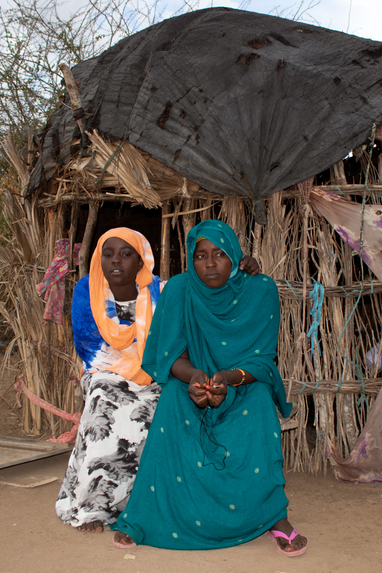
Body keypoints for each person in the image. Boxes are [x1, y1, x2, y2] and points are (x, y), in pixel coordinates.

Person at [111, 219, 308, 556]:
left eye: (219, 254)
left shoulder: (260, 290)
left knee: (261, 401)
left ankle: (274, 516)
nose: (210, 263)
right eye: (200, 256)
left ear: (234, 255)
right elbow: (169, 353)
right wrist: (195, 378)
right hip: (194, 383)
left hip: (243, 383)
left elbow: (263, 360)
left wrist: (228, 379)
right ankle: (144, 516)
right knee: (172, 396)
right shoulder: (179, 289)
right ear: (191, 258)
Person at [56, 227, 260, 533]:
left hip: (158, 374)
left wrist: (240, 272)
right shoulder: (88, 290)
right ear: (98, 259)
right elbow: (90, 349)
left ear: (141, 261)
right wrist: (135, 373)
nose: (116, 261)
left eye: (126, 255)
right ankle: (95, 504)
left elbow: (206, 290)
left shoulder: (162, 291)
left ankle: (145, 503)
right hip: (105, 374)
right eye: (108, 254)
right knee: (105, 398)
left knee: (168, 405)